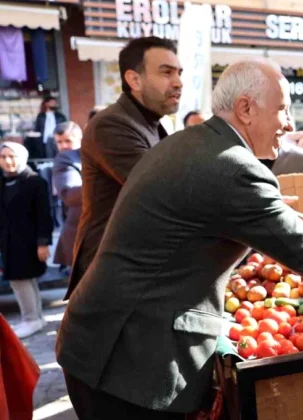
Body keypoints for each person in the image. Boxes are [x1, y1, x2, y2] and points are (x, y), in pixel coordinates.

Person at [56, 58, 303, 420]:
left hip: (102, 345)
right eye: (283, 110)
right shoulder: (234, 166)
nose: (288, 123)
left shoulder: (192, 143)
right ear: (246, 109)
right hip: (129, 365)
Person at [65, 36, 181, 300]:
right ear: (134, 80)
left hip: (138, 267)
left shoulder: (153, 123)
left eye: (179, 73)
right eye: (166, 73)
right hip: (111, 274)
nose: (178, 82)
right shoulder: (111, 125)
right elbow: (162, 190)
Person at [0, 142, 53, 338]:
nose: (7, 161)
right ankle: (36, 317)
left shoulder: (35, 182)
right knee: (21, 279)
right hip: (8, 240)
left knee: (22, 279)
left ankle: (30, 319)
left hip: (28, 240)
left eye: (11, 156)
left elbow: (44, 215)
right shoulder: (3, 181)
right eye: (3, 157)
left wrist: (43, 242)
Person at [52, 122, 83, 271]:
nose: (63, 146)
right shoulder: (64, 160)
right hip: (79, 235)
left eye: (68, 141)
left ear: (80, 138)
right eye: (59, 142)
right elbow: (70, 194)